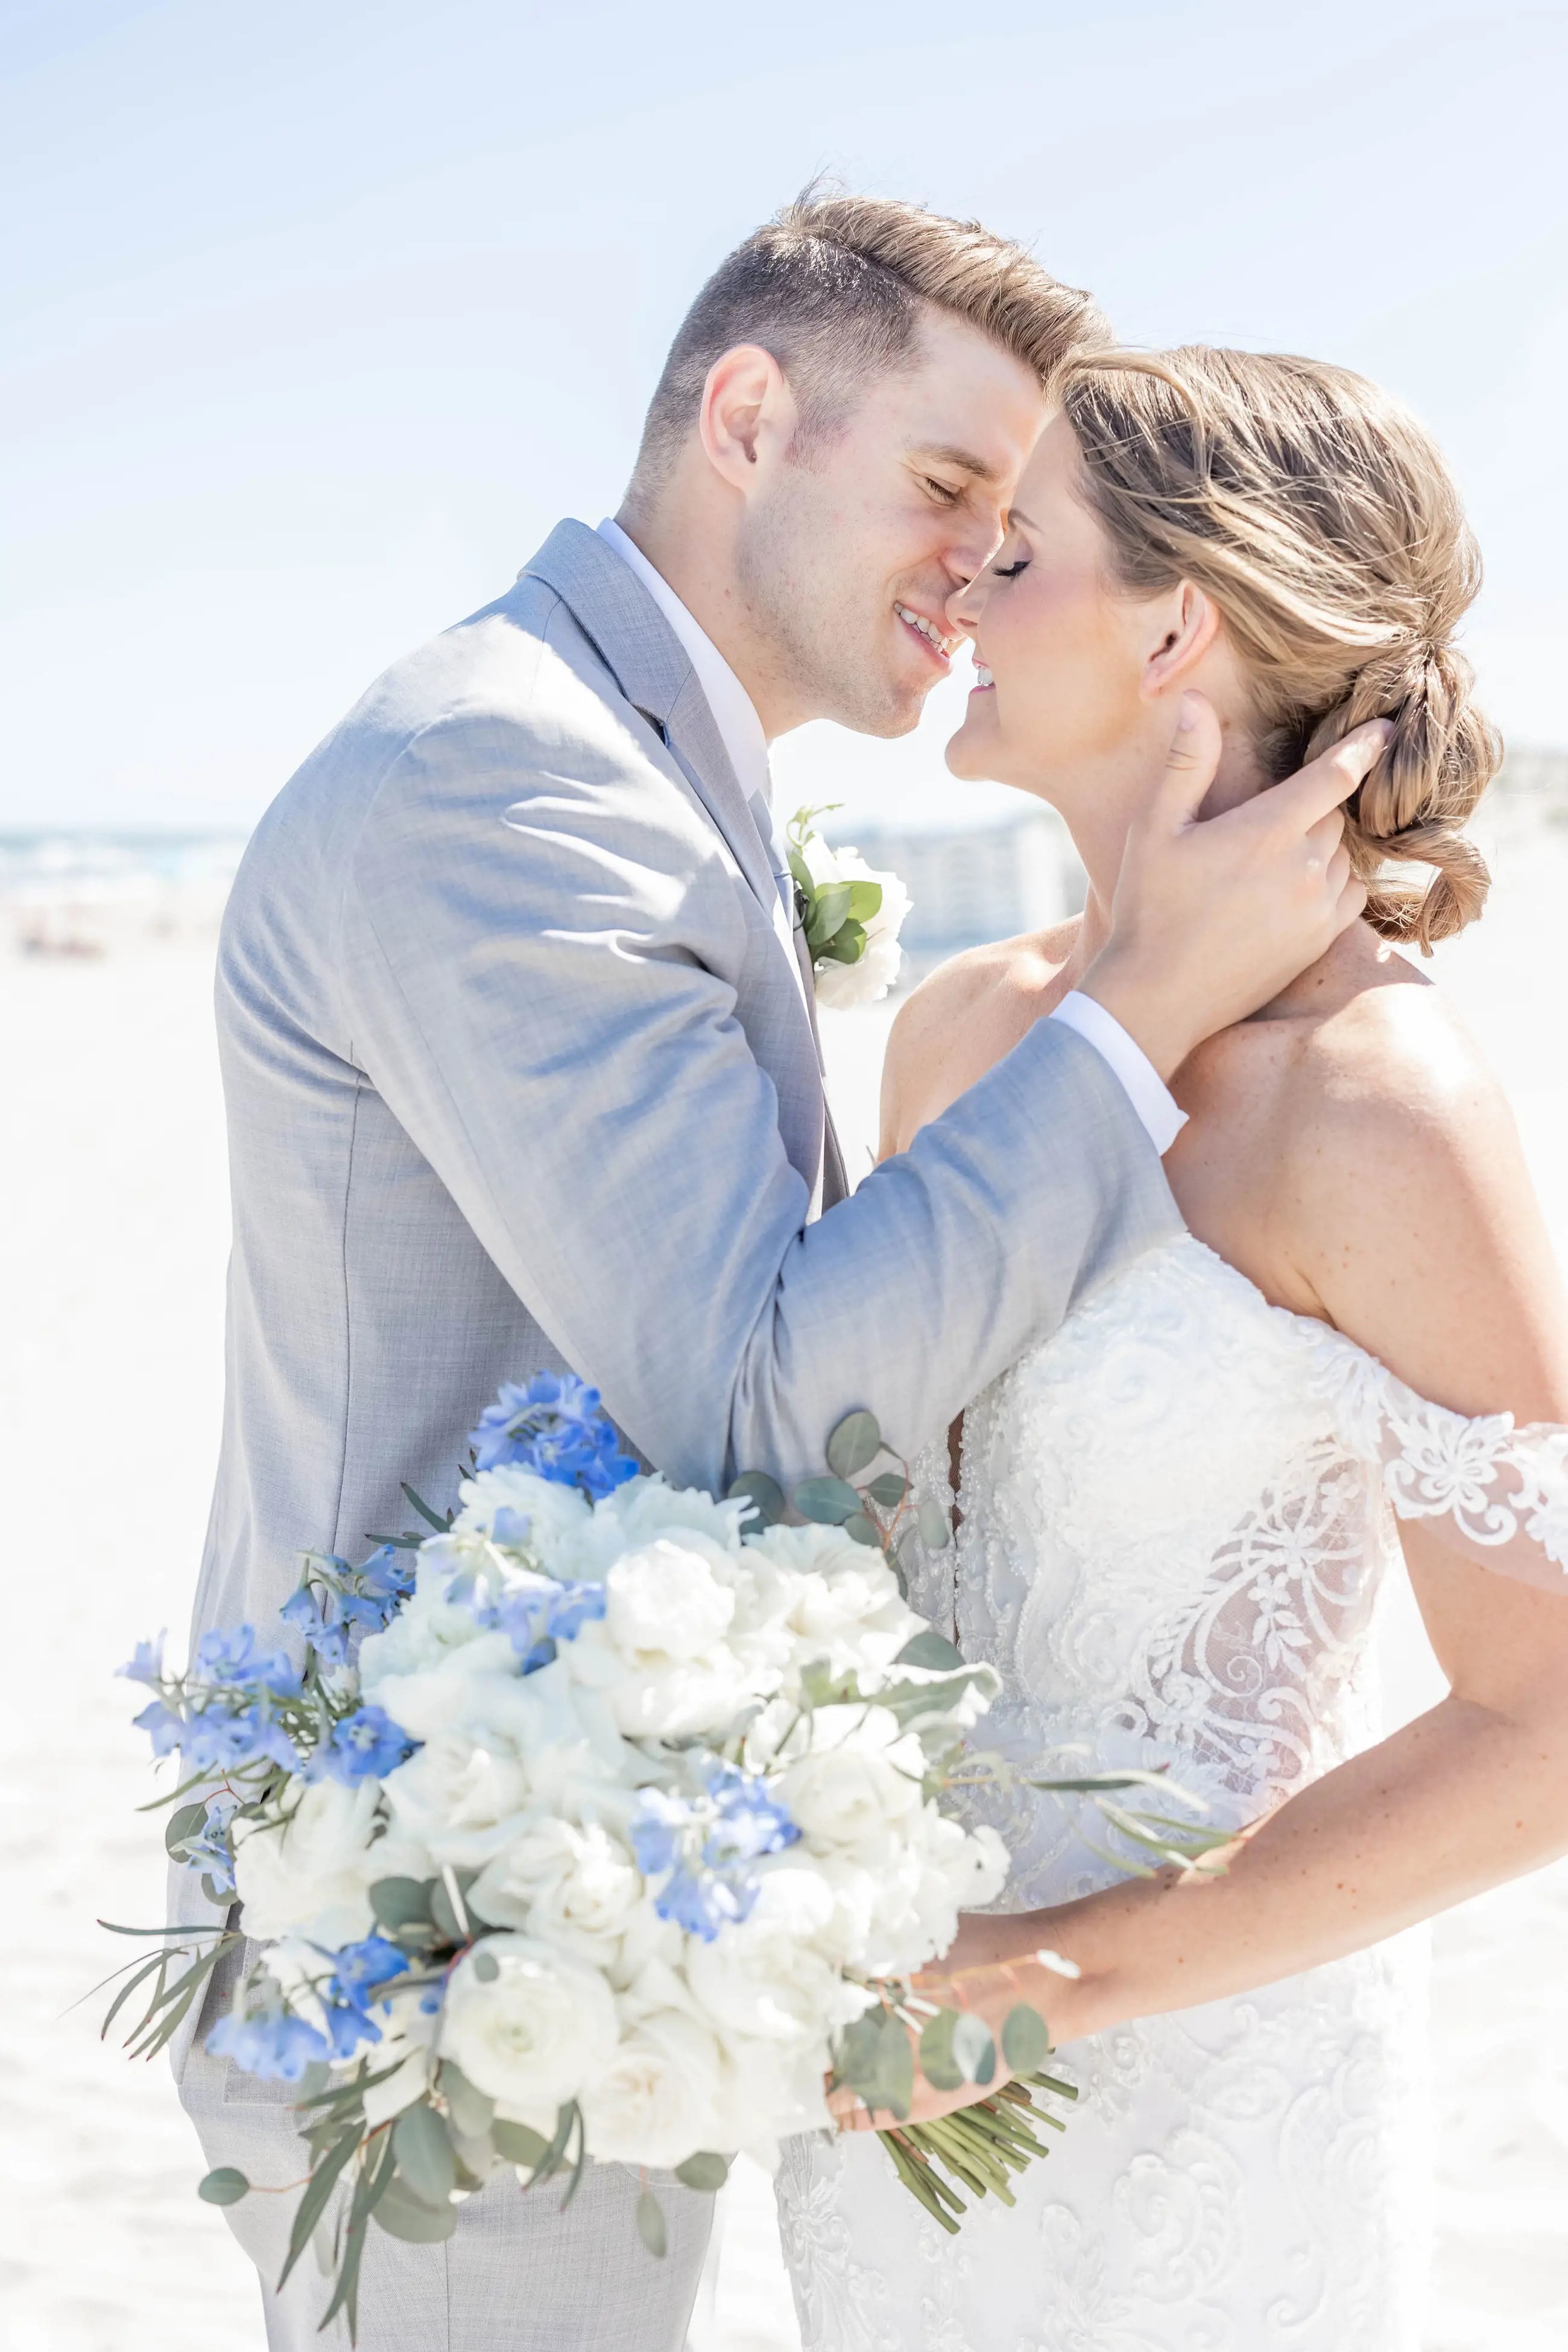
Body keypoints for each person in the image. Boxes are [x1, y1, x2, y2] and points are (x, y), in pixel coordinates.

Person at [175, 193, 1375, 2352]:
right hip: (445, 1929)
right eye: (945, 488)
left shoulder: (633, 763)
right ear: (748, 412)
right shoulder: (507, 773)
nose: (980, 566)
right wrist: (1136, 1012)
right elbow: (751, 1394)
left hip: (634, 1902)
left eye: (1016, 525)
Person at [777, 347, 1568, 2349]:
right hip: (881, 2081)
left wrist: (1067, 1976)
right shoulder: (956, 1035)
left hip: (1205, 2099)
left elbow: (1551, 1714)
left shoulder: (1371, 1106)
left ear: (1180, 625)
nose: (956, 585)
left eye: (1016, 548)